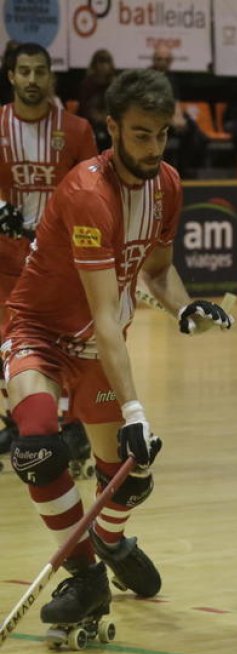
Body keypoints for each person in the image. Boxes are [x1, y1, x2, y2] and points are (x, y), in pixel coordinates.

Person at [2, 68, 235, 632]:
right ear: (111, 129)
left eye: (161, 134)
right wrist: (136, 410)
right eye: (140, 135)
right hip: (40, 332)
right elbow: (105, 313)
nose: (153, 148)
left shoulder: (170, 185)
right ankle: (85, 577)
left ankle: (107, 539)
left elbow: (157, 272)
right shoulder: (88, 193)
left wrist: (184, 308)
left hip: (97, 344)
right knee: (38, 449)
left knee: (131, 474)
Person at [0, 43, 99, 459]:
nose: (32, 80)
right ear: (11, 76)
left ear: (51, 77)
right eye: (24, 72)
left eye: (40, 72)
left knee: (70, 344)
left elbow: (94, 191)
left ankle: (74, 425)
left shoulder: (76, 131)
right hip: (5, 262)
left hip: (58, 263)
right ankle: (19, 421)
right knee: (11, 346)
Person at [149, 45, 207, 178]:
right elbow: (149, 105)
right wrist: (171, 120)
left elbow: (176, 102)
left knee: (192, 129)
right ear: (154, 60)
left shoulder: (172, 78)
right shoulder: (148, 78)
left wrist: (179, 118)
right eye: (159, 59)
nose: (162, 62)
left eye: (166, 59)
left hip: (169, 116)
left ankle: (184, 168)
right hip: (153, 118)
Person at [77, 49, 116, 150]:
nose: (103, 66)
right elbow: (83, 109)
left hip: (109, 124)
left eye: (106, 62)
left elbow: (117, 107)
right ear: (94, 64)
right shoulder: (87, 84)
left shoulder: (115, 85)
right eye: (101, 62)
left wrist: (105, 118)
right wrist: (95, 117)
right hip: (90, 124)